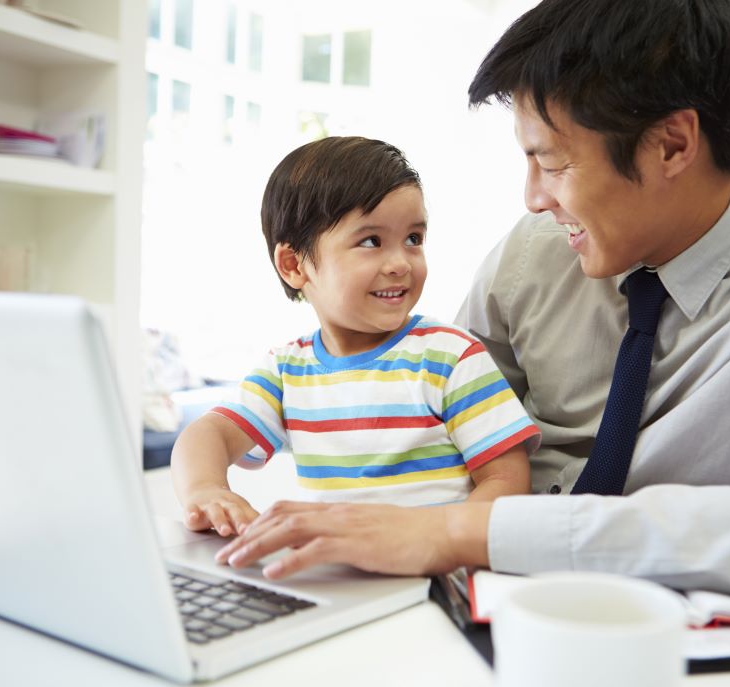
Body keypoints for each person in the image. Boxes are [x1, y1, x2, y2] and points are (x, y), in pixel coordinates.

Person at [215, 0, 730, 613]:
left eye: (553, 162)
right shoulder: (531, 255)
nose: (534, 196)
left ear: (671, 144)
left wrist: (461, 531)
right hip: (468, 610)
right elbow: (429, 417)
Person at [171, 136, 539, 538]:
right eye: (371, 242)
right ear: (294, 265)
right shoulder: (286, 372)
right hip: (337, 575)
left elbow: (507, 482)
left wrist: (434, 537)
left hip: (437, 575)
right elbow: (206, 435)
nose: (400, 263)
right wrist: (206, 490)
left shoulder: (451, 358)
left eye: (413, 239)